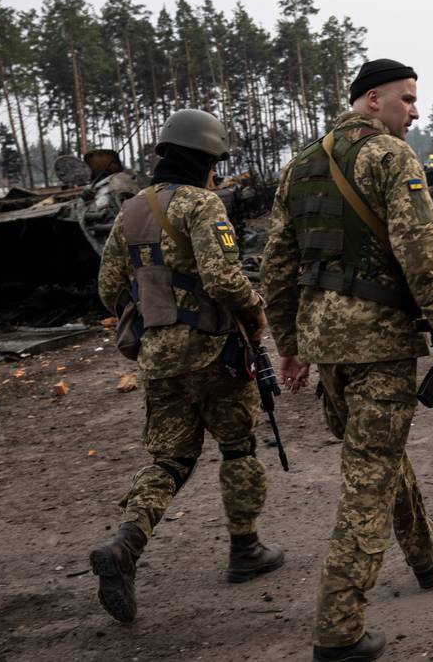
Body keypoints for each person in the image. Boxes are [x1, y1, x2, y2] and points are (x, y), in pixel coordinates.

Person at [262, 58, 433, 661]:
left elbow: (276, 266)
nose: (416, 110)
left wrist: (291, 346)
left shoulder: (299, 165)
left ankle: (426, 550)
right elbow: (422, 255)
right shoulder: (390, 158)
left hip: (327, 347)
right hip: (378, 344)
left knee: (374, 455)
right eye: (407, 99)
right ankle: (339, 627)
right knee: (368, 480)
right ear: (373, 100)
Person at [89, 109, 284, 625]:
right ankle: (245, 551)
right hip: (215, 350)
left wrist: (156, 310)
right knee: (239, 448)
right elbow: (222, 278)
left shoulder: (129, 211)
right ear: (206, 161)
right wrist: (257, 309)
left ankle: (125, 546)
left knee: (170, 459)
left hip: (156, 357)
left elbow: (109, 290)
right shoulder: (204, 205)